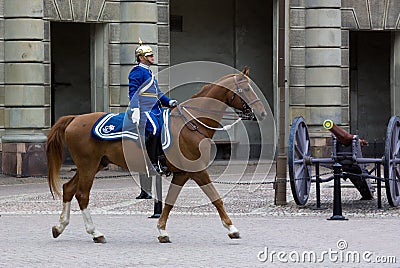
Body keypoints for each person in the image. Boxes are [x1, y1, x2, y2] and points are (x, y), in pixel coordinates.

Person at [129, 39, 177, 180]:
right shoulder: (136, 72)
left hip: (156, 109)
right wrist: (135, 109)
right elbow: (133, 92)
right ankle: (152, 162)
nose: (152, 57)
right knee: (154, 129)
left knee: (167, 129)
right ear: (141, 58)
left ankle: (163, 159)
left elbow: (158, 93)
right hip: (144, 109)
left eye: (152, 55)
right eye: (149, 56)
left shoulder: (150, 74)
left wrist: (169, 102)